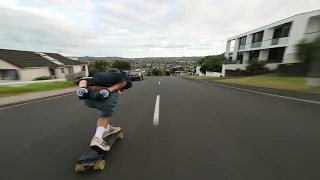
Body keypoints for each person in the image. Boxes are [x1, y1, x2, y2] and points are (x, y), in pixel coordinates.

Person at [76, 68, 132, 152]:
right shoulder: (120, 75)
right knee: (105, 115)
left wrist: (83, 87)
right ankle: (97, 139)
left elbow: (82, 79)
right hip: (103, 94)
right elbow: (124, 83)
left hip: (89, 96)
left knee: (101, 109)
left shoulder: (99, 74)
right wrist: (110, 90)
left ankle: (83, 89)